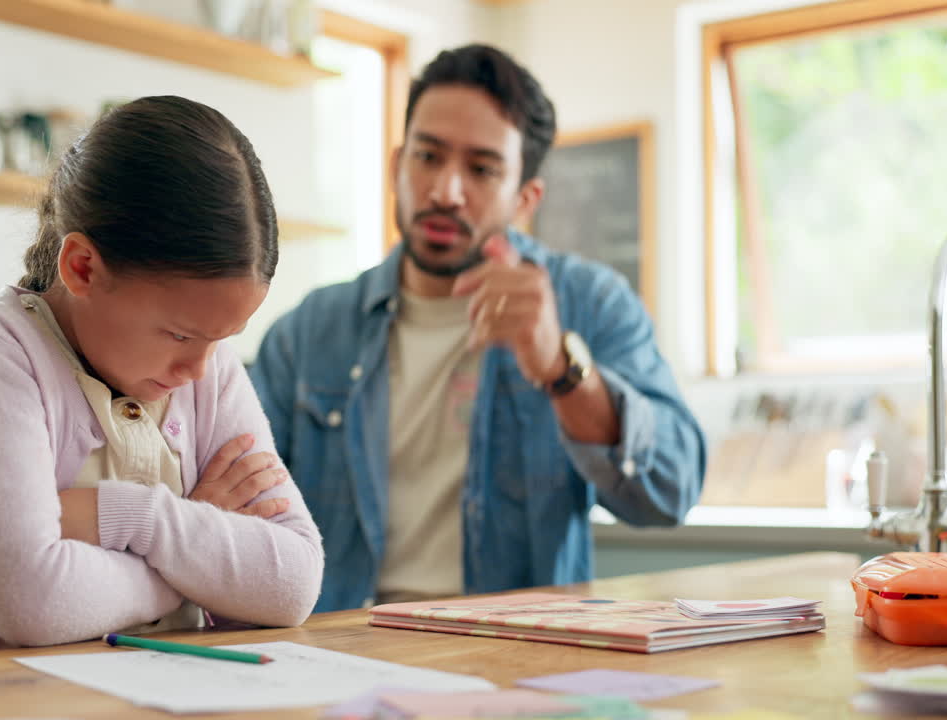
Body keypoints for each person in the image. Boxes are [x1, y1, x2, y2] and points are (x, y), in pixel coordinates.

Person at [249, 45, 706, 612]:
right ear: (397, 166)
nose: (446, 191)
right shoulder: (309, 331)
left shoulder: (591, 303)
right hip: (339, 643)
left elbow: (672, 492)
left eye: (482, 169)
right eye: (428, 156)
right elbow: (241, 513)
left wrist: (562, 371)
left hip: (518, 648)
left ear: (525, 199)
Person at [0, 96, 323, 657]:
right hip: (9, 696)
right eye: (178, 335)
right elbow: (30, 601)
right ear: (82, 267)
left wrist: (132, 517)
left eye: (222, 339)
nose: (199, 370)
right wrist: (199, 550)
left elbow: (292, 583)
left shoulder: (209, 369)